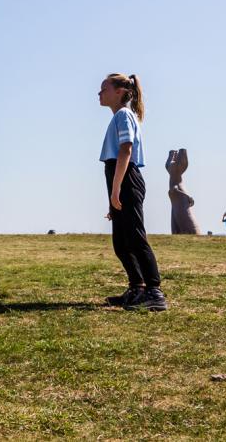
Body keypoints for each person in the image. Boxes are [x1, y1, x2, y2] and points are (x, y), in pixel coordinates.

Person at [99, 73, 167, 311]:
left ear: (119, 92)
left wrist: (117, 188)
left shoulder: (123, 114)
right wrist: (113, 195)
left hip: (127, 178)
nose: (99, 93)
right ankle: (137, 288)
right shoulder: (119, 116)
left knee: (135, 237)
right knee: (121, 241)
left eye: (104, 89)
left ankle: (154, 292)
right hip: (119, 178)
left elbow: (125, 150)